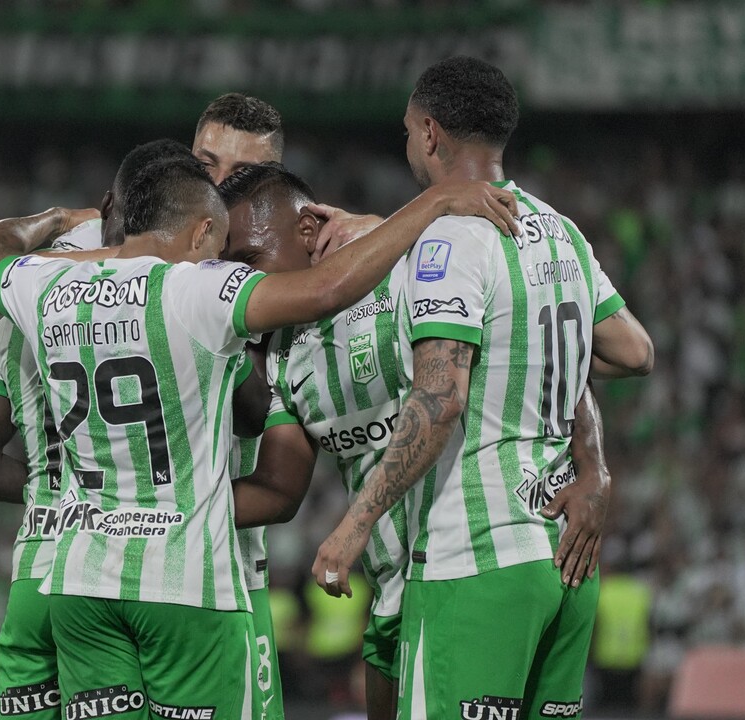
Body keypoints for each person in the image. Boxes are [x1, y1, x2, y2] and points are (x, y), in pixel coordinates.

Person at [0, 146, 518, 714]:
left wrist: (51, 220)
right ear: (202, 232)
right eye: (221, 245)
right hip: (182, 581)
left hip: (78, 579)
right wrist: (434, 202)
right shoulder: (196, 293)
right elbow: (326, 290)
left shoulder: (47, 289)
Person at [311, 56, 654, 718]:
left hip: (476, 561)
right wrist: (593, 465)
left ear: (432, 133)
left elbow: (440, 402)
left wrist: (356, 525)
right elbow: (633, 351)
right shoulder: (560, 231)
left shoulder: (453, 238)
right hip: (563, 561)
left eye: (409, 131)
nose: (408, 143)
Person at [219, 162, 613, 720]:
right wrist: (168, 506)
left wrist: (593, 463)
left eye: (250, 261)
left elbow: (538, 346)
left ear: (307, 230)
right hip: (392, 601)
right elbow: (281, 489)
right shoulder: (280, 351)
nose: (245, 281)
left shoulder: (412, 269)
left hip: (468, 571)